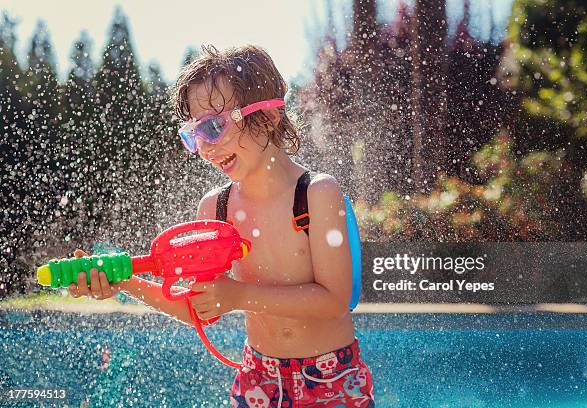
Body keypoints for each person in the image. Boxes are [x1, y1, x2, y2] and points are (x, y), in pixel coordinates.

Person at [70, 44, 375, 407]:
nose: (206, 148)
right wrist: (125, 282)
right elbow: (198, 307)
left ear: (269, 116)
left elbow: (335, 301)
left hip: (331, 381)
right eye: (195, 134)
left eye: (215, 126)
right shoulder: (217, 207)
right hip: (257, 382)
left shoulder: (315, 194)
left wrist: (238, 296)